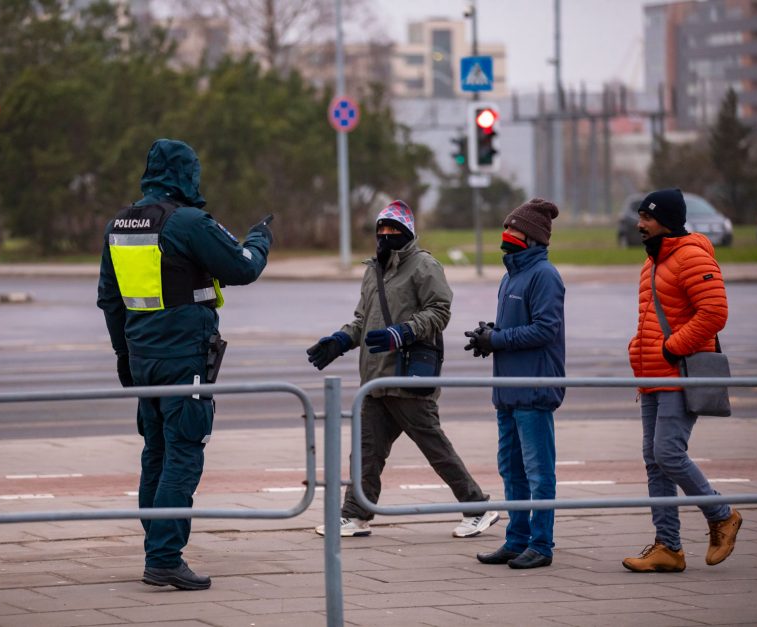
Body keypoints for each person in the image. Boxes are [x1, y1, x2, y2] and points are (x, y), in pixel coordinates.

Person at [97, 139, 272, 591]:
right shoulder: (188, 222)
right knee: (184, 451)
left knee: (155, 450)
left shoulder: (120, 223)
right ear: (185, 173)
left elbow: (110, 300)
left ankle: (157, 542)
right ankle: (164, 558)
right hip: (184, 357)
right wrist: (259, 239)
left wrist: (123, 354)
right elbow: (242, 268)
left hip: (143, 358)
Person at [308, 200, 499, 539]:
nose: (386, 235)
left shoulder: (424, 265)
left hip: (409, 376)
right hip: (375, 379)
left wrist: (404, 331)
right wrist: (340, 340)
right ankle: (355, 514)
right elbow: (363, 321)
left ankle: (478, 508)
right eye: (382, 229)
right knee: (366, 452)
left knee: (435, 449)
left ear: (408, 232)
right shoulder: (373, 270)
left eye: (394, 230)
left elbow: (440, 310)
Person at [621, 188, 741, 573]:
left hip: (678, 373)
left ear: (667, 221)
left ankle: (721, 515)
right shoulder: (653, 262)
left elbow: (714, 312)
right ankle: (668, 547)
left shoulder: (690, 255)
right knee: (655, 462)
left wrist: (673, 348)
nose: (639, 224)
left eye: (647, 217)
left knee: (668, 453)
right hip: (653, 376)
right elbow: (652, 317)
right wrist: (638, 348)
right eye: (639, 216)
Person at [464, 197, 564, 569]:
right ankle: (517, 539)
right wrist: (489, 336)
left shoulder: (545, 276)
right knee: (512, 469)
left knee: (539, 473)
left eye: (515, 229)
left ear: (533, 237)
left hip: (534, 390)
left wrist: (499, 340)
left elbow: (545, 328)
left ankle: (541, 544)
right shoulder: (511, 276)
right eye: (506, 227)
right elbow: (516, 329)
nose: (507, 235)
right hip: (507, 391)